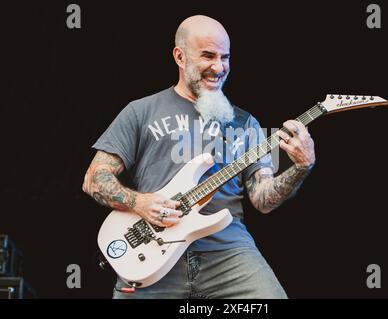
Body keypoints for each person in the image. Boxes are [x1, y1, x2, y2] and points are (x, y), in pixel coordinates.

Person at [82, 15, 315, 299]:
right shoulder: (140, 111)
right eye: (208, 56)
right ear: (180, 57)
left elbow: (263, 200)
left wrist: (302, 166)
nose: (218, 67)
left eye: (225, 57)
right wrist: (140, 202)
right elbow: (95, 178)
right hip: (153, 252)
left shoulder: (245, 123)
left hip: (229, 254)